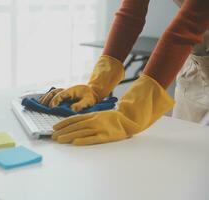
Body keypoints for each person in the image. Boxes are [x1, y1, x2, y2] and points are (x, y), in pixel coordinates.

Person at [39, 0, 209, 145]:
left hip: (194, 41)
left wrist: (131, 114)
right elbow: (131, 14)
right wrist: (97, 86)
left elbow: (187, 27)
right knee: (181, 155)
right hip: (197, 63)